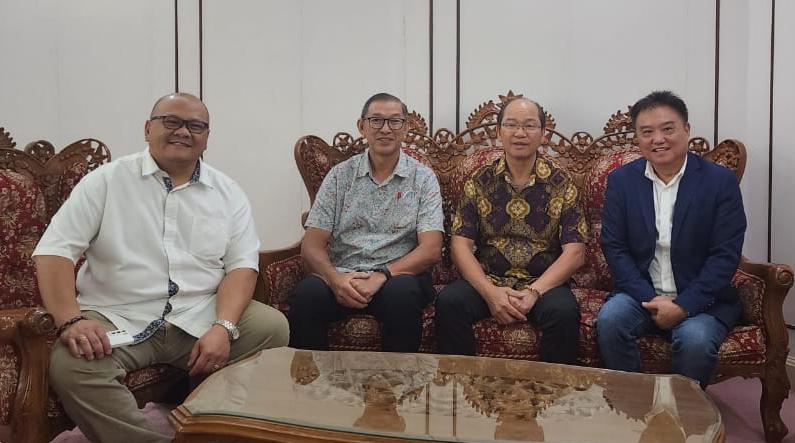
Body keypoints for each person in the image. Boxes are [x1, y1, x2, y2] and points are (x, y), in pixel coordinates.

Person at [33, 92, 289, 443]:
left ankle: (209, 427)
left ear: (206, 137)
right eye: (171, 121)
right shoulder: (106, 181)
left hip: (198, 312)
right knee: (72, 363)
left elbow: (242, 266)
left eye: (195, 126)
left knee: (270, 328)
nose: (183, 131)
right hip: (118, 313)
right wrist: (71, 320)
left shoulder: (227, 192)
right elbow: (55, 252)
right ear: (147, 129)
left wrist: (224, 326)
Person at [597, 90, 746, 388]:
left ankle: (681, 413)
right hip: (640, 293)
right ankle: (633, 405)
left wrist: (683, 305)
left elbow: (725, 254)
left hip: (702, 298)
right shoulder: (622, 181)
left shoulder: (719, 182)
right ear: (637, 137)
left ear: (686, 130)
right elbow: (614, 247)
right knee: (611, 322)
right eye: (647, 132)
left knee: (695, 341)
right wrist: (651, 298)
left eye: (668, 129)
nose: (658, 139)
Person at [287, 92, 444, 352]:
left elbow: (431, 249)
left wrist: (382, 275)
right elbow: (311, 246)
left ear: (406, 127)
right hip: (344, 274)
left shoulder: (423, 178)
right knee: (307, 295)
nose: (385, 129)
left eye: (394, 121)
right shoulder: (339, 176)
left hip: (397, 276)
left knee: (402, 295)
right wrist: (335, 280)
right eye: (376, 120)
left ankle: (397, 378)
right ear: (362, 127)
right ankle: (312, 379)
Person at [435, 97, 587, 364]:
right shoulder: (479, 180)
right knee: (450, 303)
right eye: (511, 125)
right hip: (489, 278)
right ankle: (461, 386)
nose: (520, 133)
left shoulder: (562, 182)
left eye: (529, 125)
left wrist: (534, 292)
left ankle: (549, 389)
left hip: (543, 282)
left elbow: (575, 252)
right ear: (498, 131)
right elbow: (460, 245)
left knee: (563, 313)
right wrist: (489, 293)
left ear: (543, 133)